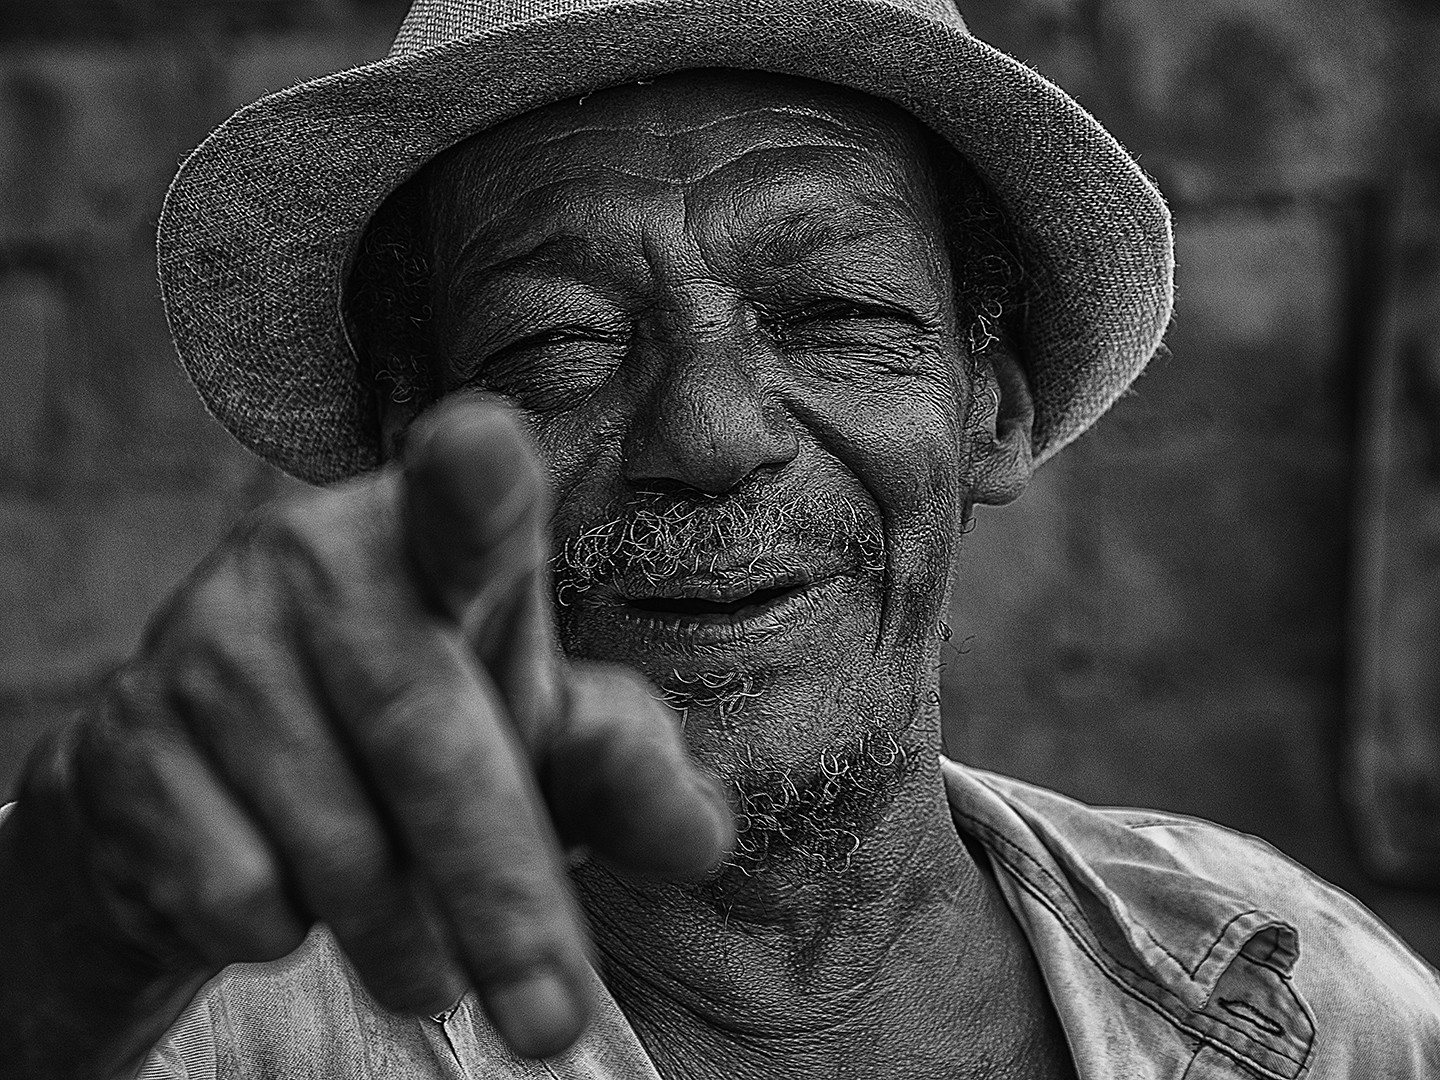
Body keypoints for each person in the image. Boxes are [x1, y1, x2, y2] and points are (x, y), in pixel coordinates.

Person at [1, 0, 1437, 1076]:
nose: (707, 431)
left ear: (989, 405)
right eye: (558, 341)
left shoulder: (1308, 1008)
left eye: (834, 314)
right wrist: (61, 946)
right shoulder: (196, 1028)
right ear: (410, 449)